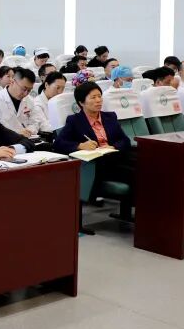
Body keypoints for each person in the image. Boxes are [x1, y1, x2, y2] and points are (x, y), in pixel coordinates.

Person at [53, 81, 138, 223]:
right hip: (98, 164)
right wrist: (80, 145)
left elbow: (124, 140)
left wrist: (112, 146)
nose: (98, 100)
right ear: (81, 102)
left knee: (146, 163)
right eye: (93, 97)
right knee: (135, 173)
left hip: (116, 156)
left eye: (99, 96)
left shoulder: (110, 117)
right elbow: (59, 143)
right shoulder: (75, 121)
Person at [0, 68, 50, 137]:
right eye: (24, 89)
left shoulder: (30, 100)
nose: (26, 93)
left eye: (29, 90)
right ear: (12, 82)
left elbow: (35, 122)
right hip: (5, 141)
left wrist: (29, 130)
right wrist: (17, 134)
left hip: (28, 138)